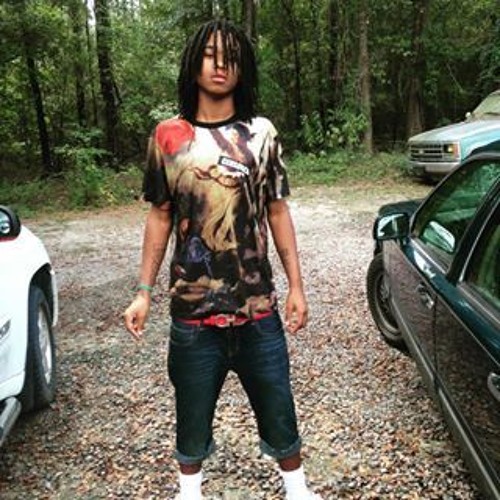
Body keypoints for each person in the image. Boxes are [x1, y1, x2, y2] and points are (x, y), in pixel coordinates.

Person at [124, 19, 322, 500]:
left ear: (243, 67)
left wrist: (296, 287)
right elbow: (160, 216)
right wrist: (143, 292)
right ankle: (189, 492)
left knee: (279, 406)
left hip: (257, 310)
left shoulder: (260, 133)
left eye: (231, 56)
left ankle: (297, 489)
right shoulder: (169, 136)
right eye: (210, 54)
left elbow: (277, 211)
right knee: (191, 413)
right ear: (194, 63)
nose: (220, 65)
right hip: (193, 315)